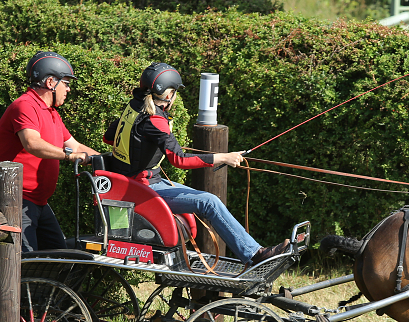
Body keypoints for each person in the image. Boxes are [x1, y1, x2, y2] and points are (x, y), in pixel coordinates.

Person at [104, 62, 289, 265]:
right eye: (175, 92)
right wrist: (225, 157)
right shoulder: (155, 119)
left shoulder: (133, 107)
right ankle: (255, 255)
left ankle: (254, 252)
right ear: (168, 95)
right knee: (209, 202)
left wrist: (145, 145)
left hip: (133, 184)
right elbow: (180, 160)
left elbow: (109, 137)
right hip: (144, 189)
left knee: (208, 201)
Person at [0, 51, 100, 252]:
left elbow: (74, 145)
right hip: (16, 201)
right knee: (25, 263)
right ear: (50, 82)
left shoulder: (51, 113)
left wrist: (106, 161)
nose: (68, 89)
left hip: (38, 202)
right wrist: (69, 156)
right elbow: (32, 143)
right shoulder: (25, 106)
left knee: (60, 257)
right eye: (66, 83)